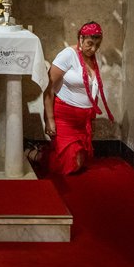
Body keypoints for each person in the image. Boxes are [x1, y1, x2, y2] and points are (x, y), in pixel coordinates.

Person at [38, 21, 114, 175]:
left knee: (79, 163)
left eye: (97, 46)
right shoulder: (68, 55)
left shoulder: (94, 57)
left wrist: (90, 116)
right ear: (80, 39)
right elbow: (48, 87)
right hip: (64, 116)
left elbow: (93, 88)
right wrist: (49, 119)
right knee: (69, 166)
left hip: (82, 120)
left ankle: (48, 150)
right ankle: (36, 155)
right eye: (89, 44)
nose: (93, 49)